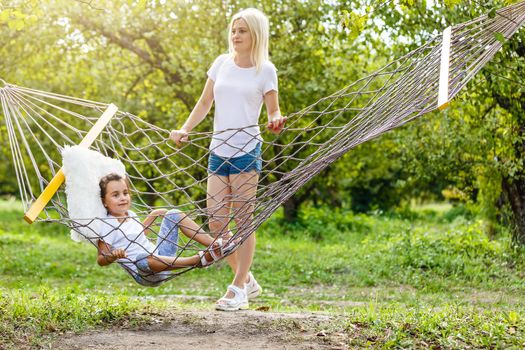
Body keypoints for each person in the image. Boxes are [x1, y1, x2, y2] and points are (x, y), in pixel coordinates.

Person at [169, 8, 285, 311]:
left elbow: (273, 110)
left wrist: (276, 119)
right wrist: (185, 129)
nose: (236, 35)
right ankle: (245, 277)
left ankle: (237, 288)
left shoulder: (265, 70)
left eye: (243, 30)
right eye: (234, 30)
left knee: (243, 221)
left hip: (247, 151)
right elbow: (205, 102)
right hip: (218, 151)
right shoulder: (221, 63)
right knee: (218, 221)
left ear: (256, 34)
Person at [96, 173, 233, 287]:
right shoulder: (107, 225)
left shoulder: (131, 215)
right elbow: (101, 259)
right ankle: (197, 260)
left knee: (173, 214)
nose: (123, 198)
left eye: (125, 193)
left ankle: (216, 245)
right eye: (115, 195)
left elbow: (137, 235)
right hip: (146, 272)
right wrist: (114, 255)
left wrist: (153, 215)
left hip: (163, 258)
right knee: (141, 258)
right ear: (104, 202)